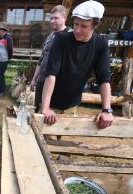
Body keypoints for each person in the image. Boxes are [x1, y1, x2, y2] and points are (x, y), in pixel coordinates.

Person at [41, 0, 114, 129]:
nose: (77, 30)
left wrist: (106, 110)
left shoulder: (100, 43)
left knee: (62, 138)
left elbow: (104, 77)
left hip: (73, 102)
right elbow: (51, 74)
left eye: (84, 26)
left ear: (95, 25)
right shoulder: (61, 40)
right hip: (50, 100)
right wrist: (45, 107)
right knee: (44, 137)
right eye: (75, 24)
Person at [30, 5, 71, 112]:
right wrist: (34, 79)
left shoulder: (70, 36)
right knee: (38, 110)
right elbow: (42, 59)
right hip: (42, 80)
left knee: (53, 113)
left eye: (56, 18)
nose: (52, 21)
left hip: (57, 84)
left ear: (64, 18)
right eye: (51, 18)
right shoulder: (50, 36)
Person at [0, 22, 13, 97]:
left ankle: (1, 91)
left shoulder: (8, 38)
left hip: (3, 60)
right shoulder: (1, 37)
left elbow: (10, 49)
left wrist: (8, 58)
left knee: (1, 75)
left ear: (3, 30)